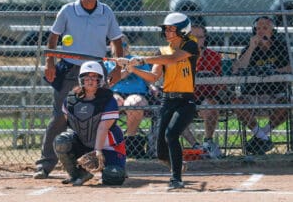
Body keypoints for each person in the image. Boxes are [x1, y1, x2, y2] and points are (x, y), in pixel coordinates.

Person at [34, 0, 123, 179]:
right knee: (59, 118)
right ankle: (45, 165)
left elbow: (116, 41)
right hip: (71, 69)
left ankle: (107, 163)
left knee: (101, 117)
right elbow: (53, 37)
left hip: (96, 71)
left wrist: (117, 67)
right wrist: (50, 63)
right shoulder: (68, 10)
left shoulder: (106, 12)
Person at [116, 12, 199, 190]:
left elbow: (172, 59)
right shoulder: (161, 51)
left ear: (183, 31)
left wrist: (141, 59)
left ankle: (176, 178)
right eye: (166, 29)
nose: (167, 32)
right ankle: (177, 165)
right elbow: (153, 77)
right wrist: (132, 67)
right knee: (161, 152)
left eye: (172, 29)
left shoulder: (191, 45)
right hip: (167, 101)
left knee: (171, 134)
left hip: (186, 101)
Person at [54, 61, 126, 186]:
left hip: (108, 147)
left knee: (114, 177)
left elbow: (103, 128)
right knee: (61, 141)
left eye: (94, 77)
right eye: (86, 77)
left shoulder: (108, 100)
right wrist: (70, 155)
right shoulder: (70, 100)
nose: (90, 80)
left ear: (100, 80)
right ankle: (77, 174)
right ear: (81, 79)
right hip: (84, 143)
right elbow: (71, 125)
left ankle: (113, 167)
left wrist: (97, 151)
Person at [232, 16, 291, 155]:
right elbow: (238, 68)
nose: (260, 31)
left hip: (275, 94)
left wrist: (275, 71)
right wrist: (252, 47)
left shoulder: (281, 47)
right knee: (236, 102)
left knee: (288, 103)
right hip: (252, 95)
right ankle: (263, 138)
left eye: (265, 28)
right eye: (258, 28)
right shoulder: (249, 48)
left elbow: (290, 67)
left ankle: (261, 136)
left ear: (272, 31)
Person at [105, 35, 157, 158]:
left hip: (137, 93)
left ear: (128, 47)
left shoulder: (137, 60)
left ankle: (130, 140)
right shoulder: (108, 63)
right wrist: (128, 70)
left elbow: (148, 78)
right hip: (115, 92)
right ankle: (112, 139)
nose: (121, 48)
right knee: (114, 102)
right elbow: (109, 81)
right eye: (117, 45)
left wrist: (152, 87)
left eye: (124, 45)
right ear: (111, 47)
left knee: (134, 104)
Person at [182, 25, 223, 158]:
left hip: (207, 95)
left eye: (200, 37)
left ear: (205, 39)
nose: (196, 40)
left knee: (209, 105)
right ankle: (196, 146)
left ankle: (208, 142)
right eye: (193, 37)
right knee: (174, 110)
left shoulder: (214, 56)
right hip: (184, 96)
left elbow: (221, 84)